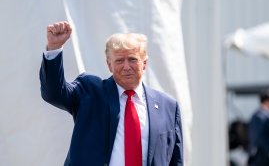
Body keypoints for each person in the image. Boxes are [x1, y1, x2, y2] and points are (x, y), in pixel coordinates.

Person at [39, 21, 183, 166]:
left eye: (132, 59)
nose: (126, 67)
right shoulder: (89, 91)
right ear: (109, 65)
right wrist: (54, 48)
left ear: (144, 63)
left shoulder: (168, 107)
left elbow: (175, 160)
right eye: (119, 60)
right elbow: (54, 93)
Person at [248, 90, 269, 166]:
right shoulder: (260, 117)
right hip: (262, 159)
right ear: (268, 101)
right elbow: (259, 138)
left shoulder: (263, 116)